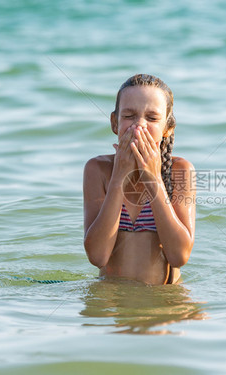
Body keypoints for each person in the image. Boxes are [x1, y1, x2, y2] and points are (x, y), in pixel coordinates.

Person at [83, 74, 196, 285]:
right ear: (114, 123)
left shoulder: (180, 170)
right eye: (129, 116)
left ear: (167, 128)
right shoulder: (98, 169)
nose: (139, 126)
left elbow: (179, 256)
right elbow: (97, 257)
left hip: (164, 304)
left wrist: (153, 179)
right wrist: (119, 177)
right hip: (112, 302)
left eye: (152, 118)